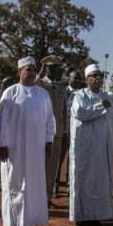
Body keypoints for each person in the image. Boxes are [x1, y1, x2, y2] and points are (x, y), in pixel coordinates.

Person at [0, 56, 56, 226]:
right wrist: (3, 144)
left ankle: (26, 221)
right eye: (27, 69)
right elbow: (1, 121)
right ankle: (10, 223)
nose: (31, 73)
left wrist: (48, 140)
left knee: (31, 183)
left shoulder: (43, 94)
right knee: (13, 182)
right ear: (19, 72)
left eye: (33, 69)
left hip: (36, 147)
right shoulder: (11, 92)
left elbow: (50, 120)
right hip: (14, 147)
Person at [69, 64, 113, 226]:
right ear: (87, 79)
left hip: (101, 147)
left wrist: (111, 145)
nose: (98, 78)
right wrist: (100, 106)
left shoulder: (107, 97)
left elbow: (110, 124)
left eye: (100, 75)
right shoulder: (79, 95)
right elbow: (80, 113)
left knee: (99, 181)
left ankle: (96, 216)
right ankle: (81, 217)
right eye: (94, 75)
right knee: (83, 180)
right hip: (84, 148)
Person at [35, 55, 68, 209]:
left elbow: (63, 111)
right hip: (41, 133)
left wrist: (64, 130)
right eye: (50, 67)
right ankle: (36, 196)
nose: (53, 70)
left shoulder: (62, 88)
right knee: (39, 165)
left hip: (57, 133)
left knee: (52, 167)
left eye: (56, 68)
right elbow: (33, 83)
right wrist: (40, 72)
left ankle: (47, 197)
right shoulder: (40, 85)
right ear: (45, 68)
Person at [54, 70, 82, 196]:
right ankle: (55, 185)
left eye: (79, 79)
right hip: (63, 131)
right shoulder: (62, 91)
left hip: (77, 132)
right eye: (75, 78)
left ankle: (70, 185)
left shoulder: (82, 94)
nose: (77, 81)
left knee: (73, 160)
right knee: (58, 160)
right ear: (68, 78)